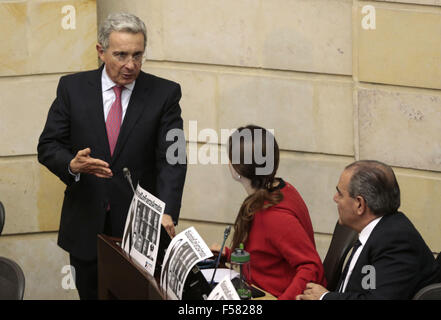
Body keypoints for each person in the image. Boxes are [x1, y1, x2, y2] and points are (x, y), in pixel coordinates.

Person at [37, 13, 186, 299]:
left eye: (137, 55)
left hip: (140, 230)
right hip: (85, 225)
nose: (130, 65)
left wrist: (167, 210)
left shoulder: (165, 93)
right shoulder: (72, 88)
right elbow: (48, 145)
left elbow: (174, 157)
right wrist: (71, 164)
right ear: (101, 51)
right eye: (120, 55)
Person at [297, 160, 440, 300]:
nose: (335, 199)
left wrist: (324, 297)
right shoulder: (379, 230)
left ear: (360, 204)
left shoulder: (396, 242)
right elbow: (368, 287)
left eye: (340, 194)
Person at [212, 125, 326, 300]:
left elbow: (310, 266)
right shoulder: (282, 189)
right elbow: (266, 252)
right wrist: (229, 254)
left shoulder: (275, 216)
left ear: (236, 169)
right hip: (258, 288)